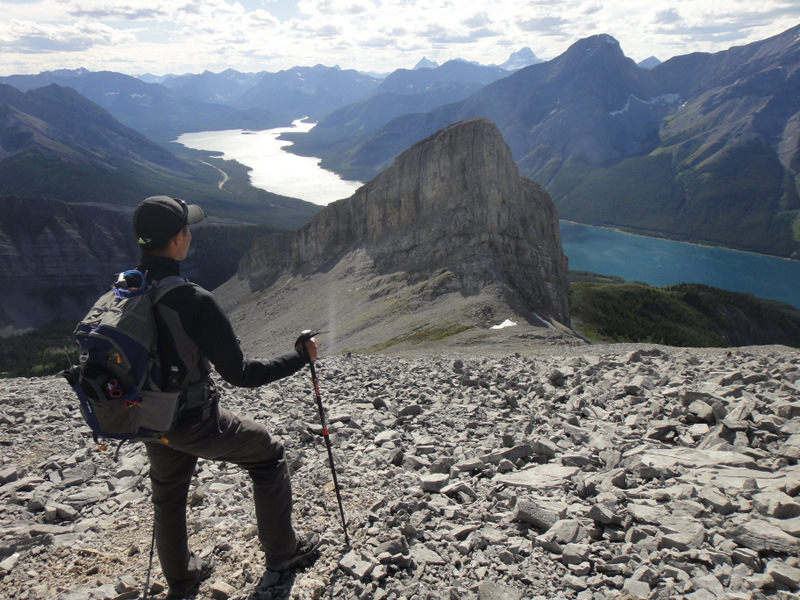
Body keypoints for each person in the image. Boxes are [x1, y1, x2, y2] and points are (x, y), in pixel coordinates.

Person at [131, 195, 321, 599]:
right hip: (192, 420)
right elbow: (242, 375)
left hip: (144, 416)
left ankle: (182, 578)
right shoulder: (193, 300)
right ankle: (284, 554)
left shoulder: (126, 289)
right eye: (187, 229)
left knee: (168, 493)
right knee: (268, 453)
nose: (189, 235)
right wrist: (299, 357)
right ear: (179, 238)